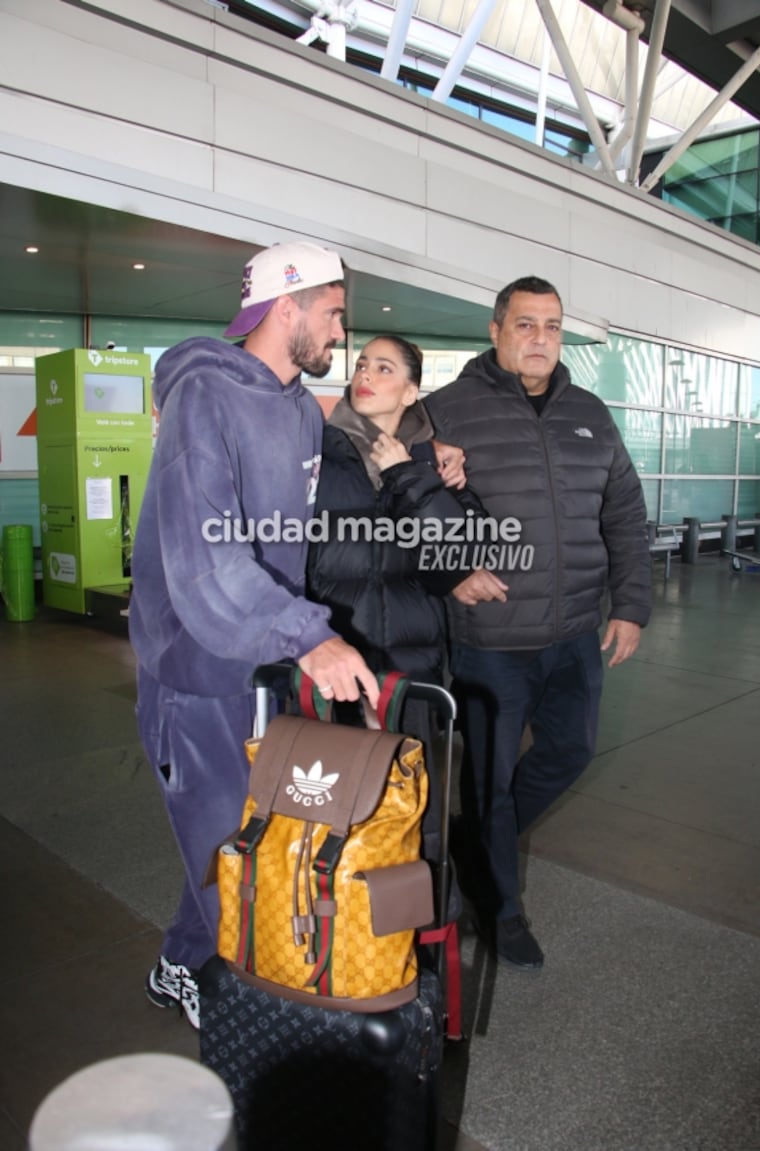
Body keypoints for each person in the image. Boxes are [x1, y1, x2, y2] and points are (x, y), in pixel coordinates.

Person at [129, 241, 379, 1029]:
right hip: (194, 670)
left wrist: (425, 449)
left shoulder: (298, 407)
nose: (341, 332)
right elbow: (206, 565)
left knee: (241, 834)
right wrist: (309, 636)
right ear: (288, 307)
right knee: (225, 846)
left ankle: (176, 962)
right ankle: (220, 989)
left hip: (257, 666)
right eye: (334, 314)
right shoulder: (205, 397)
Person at [425, 275, 652, 969]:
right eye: (524, 324)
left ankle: (476, 844)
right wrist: (447, 570)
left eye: (550, 325)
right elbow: (401, 509)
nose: (539, 338)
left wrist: (631, 605)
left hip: (576, 630)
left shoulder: (588, 412)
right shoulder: (442, 410)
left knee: (569, 752)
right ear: (495, 330)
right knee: (488, 780)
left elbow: (623, 512)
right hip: (491, 640)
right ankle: (501, 908)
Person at [306, 335, 480, 898]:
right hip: (335, 663)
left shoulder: (433, 464)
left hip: (411, 668)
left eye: (384, 368)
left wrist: (410, 473)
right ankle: (332, 934)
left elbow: (456, 554)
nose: (366, 375)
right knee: (330, 805)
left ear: (410, 389)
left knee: (413, 804)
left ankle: (416, 934)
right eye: (361, 365)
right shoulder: (317, 453)